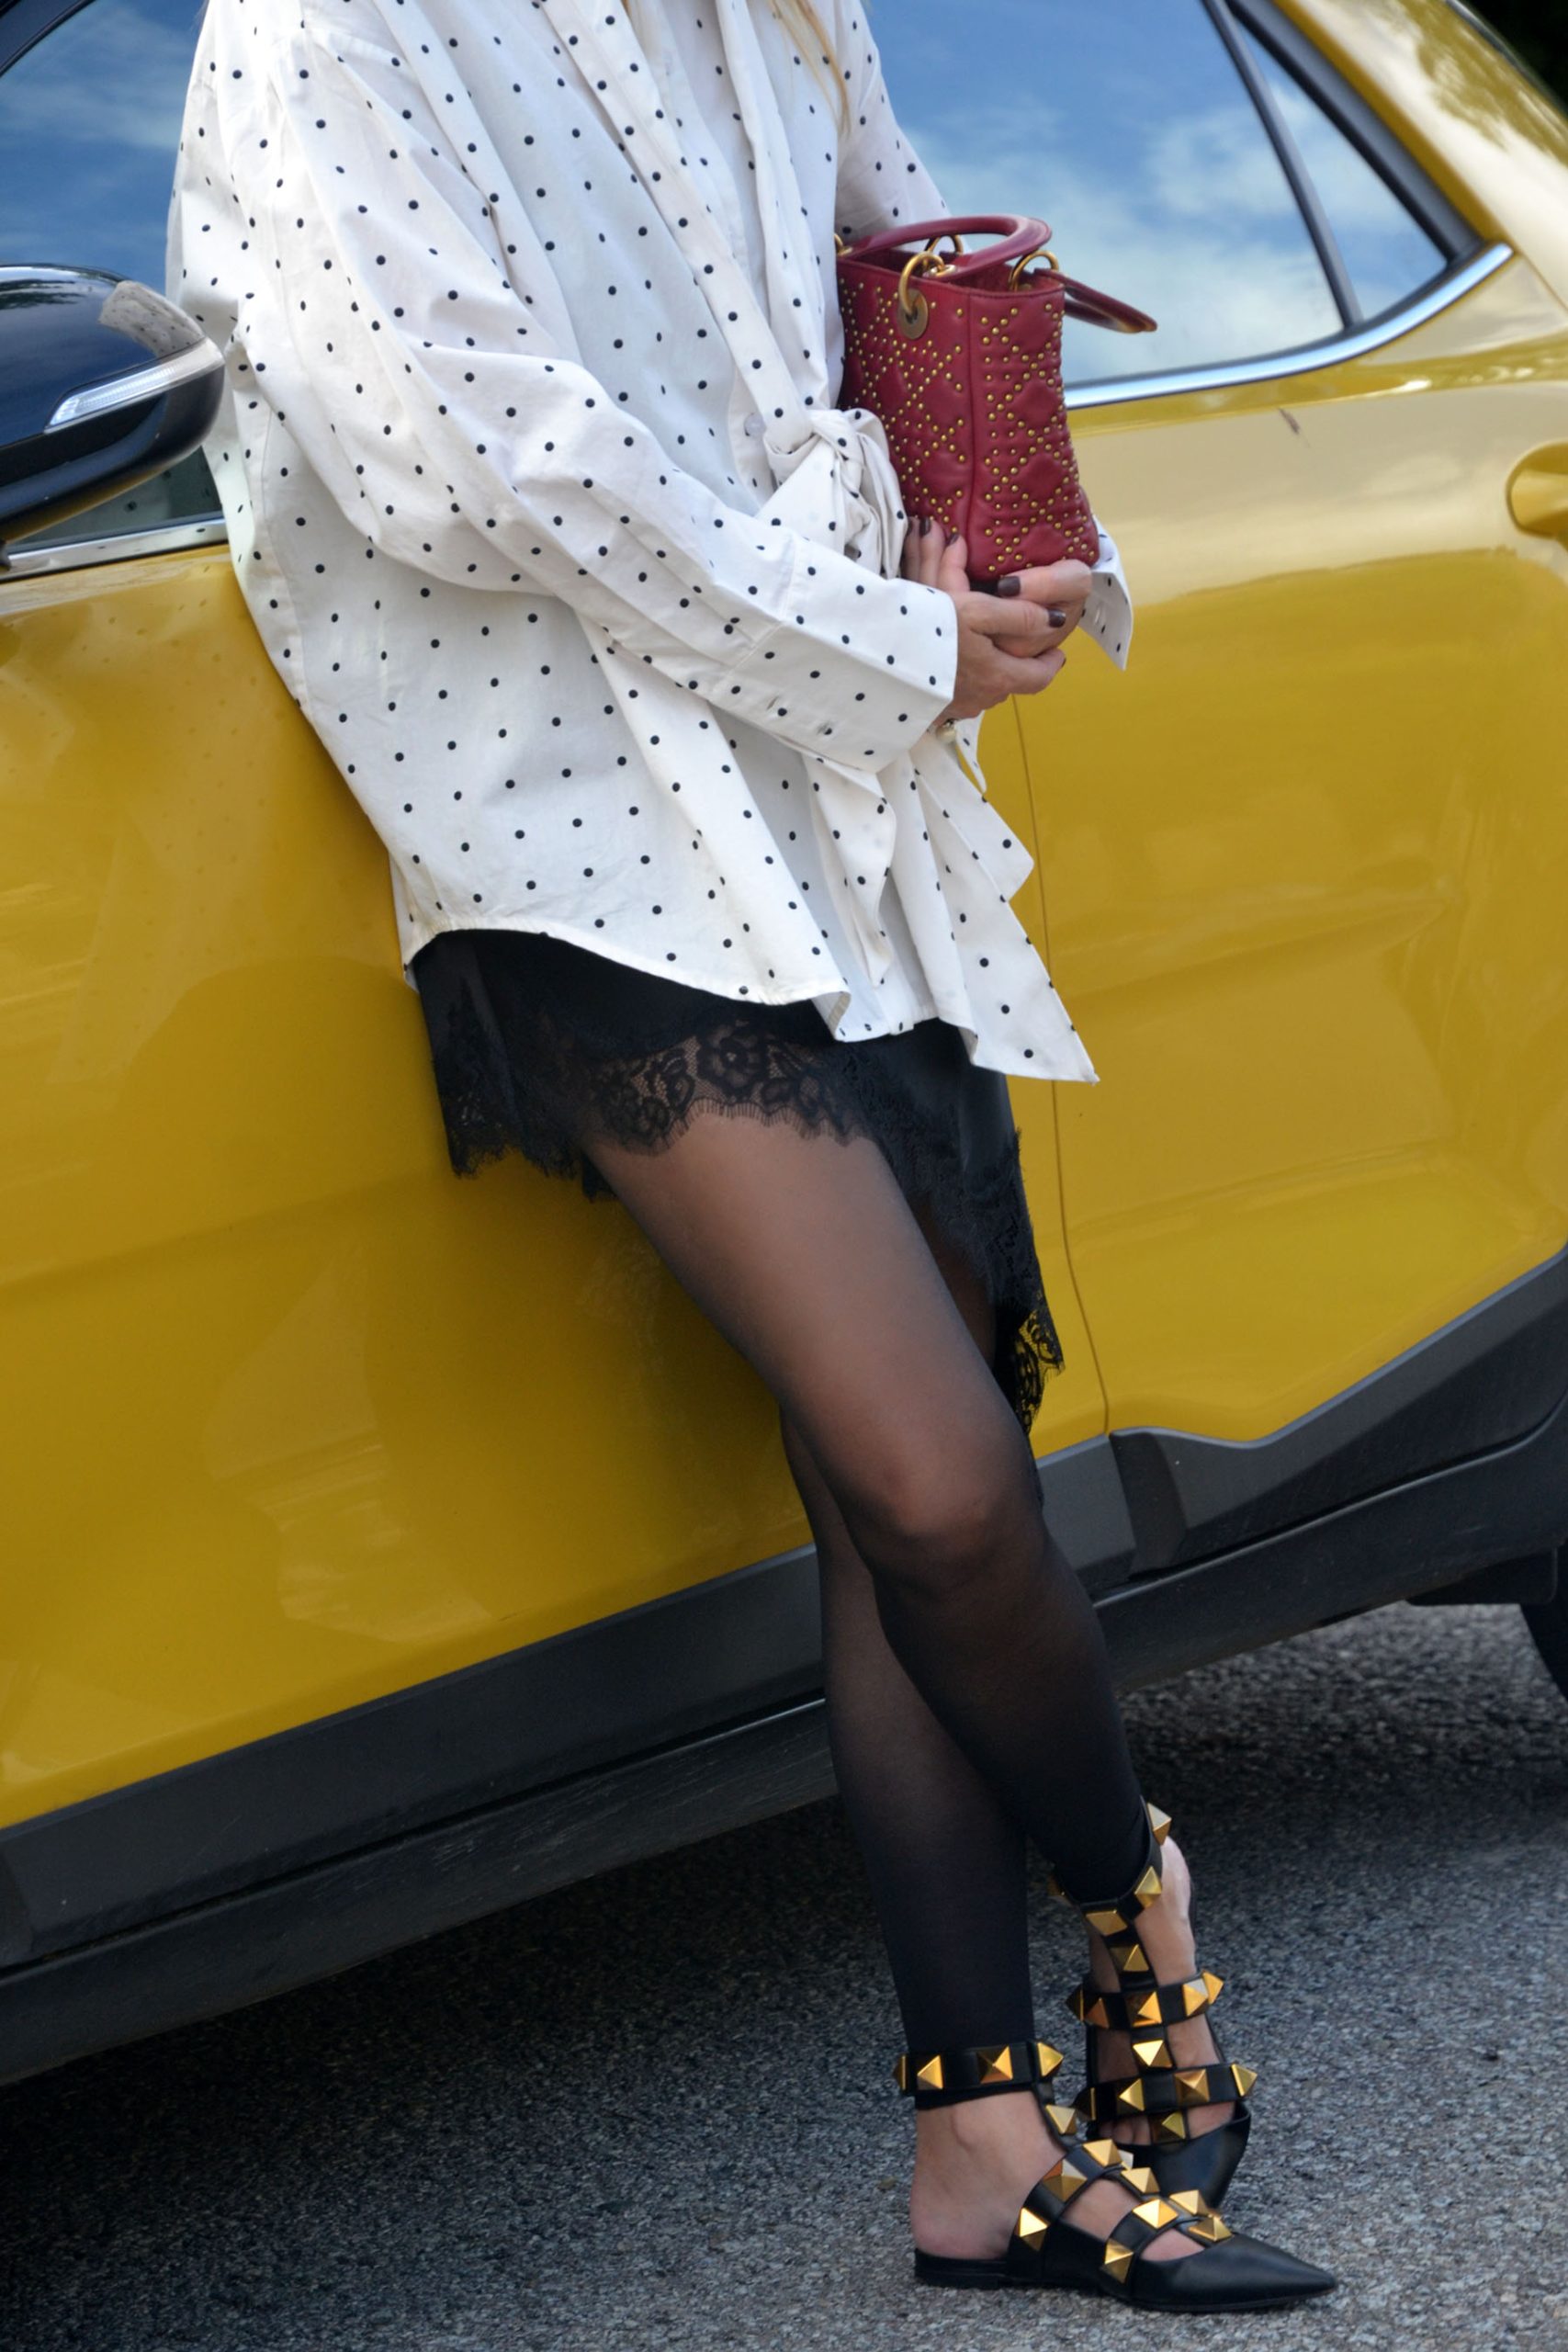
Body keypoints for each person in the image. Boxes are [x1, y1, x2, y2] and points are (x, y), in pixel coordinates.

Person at [169, 0, 1335, 2311]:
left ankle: (977, 2145)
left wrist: (1006, 529)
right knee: (935, 1481)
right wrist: (876, 633)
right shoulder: (324, 34)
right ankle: (1141, 1904)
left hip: (850, 795)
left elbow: (905, 271)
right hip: (577, 817)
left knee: (884, 1497)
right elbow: (461, 461)